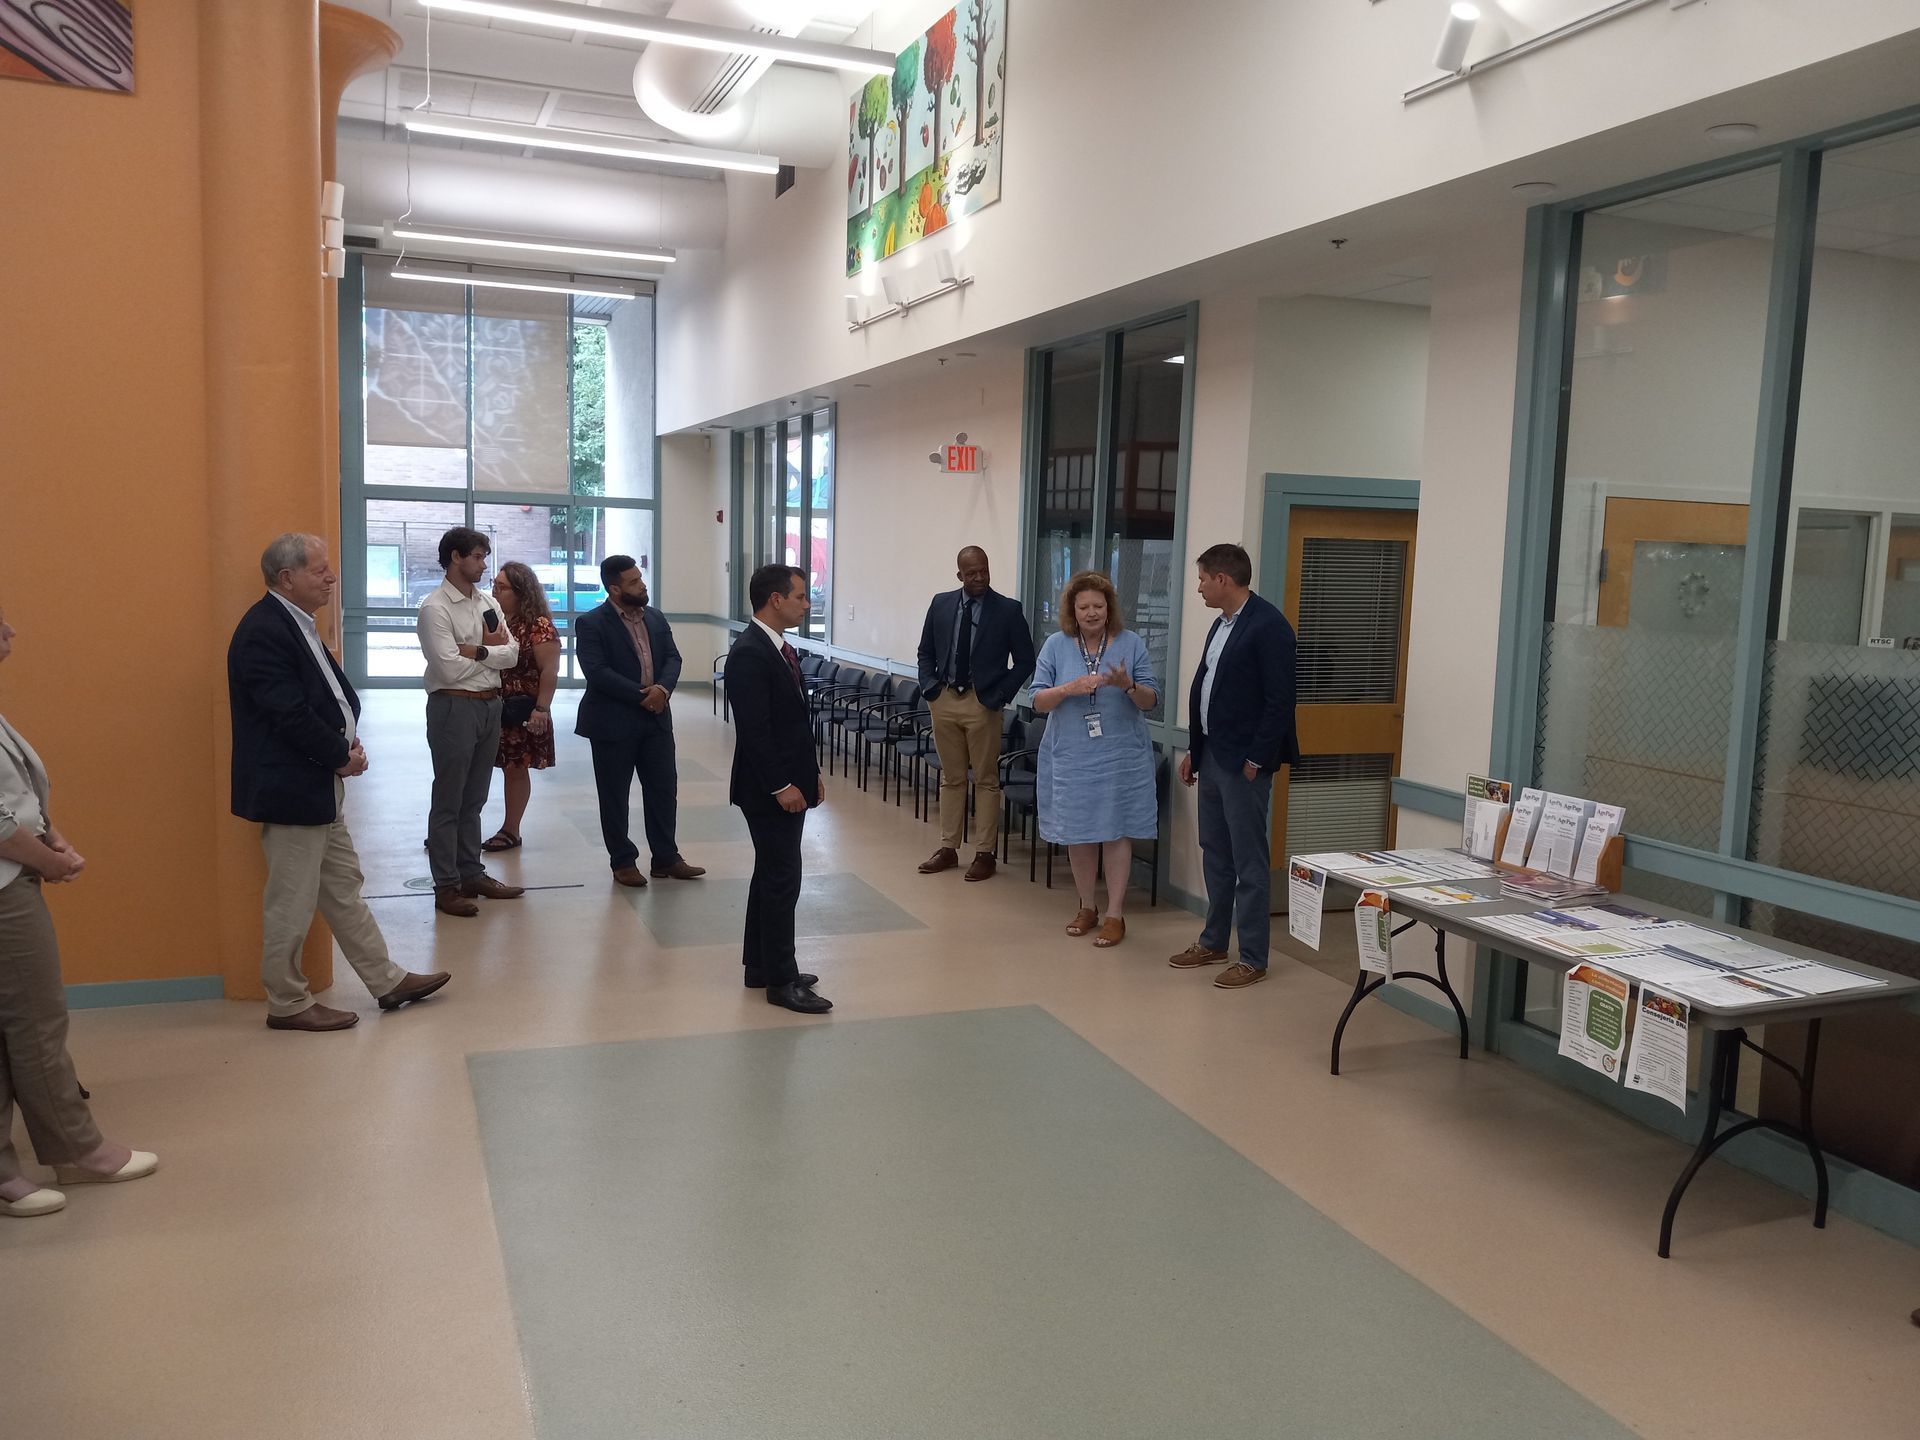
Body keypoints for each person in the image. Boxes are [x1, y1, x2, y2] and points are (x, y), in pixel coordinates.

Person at [229, 533, 452, 1032]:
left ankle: (386, 979)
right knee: (291, 901)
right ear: (287, 577)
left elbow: (322, 699)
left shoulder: (296, 623)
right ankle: (287, 1002)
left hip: (317, 785)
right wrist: (338, 754)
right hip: (293, 790)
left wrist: (343, 743)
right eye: (319, 570)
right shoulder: (265, 630)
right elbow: (286, 713)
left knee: (343, 888)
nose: (331, 578)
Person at [1, 600, 158, 1216]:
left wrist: (51, 835)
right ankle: (76, 1149)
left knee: (13, 1026)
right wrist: (48, 860)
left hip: (16, 869)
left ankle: (8, 1173)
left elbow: (16, 795)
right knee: (35, 1022)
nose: (11, 628)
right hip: (6, 887)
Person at [1171, 542, 1300, 990]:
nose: (1200, 588)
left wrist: (1256, 759)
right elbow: (1210, 690)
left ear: (1223, 579)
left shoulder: (1269, 626)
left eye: (1203, 579)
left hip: (1244, 764)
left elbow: (1280, 702)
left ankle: (1253, 957)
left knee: (1248, 860)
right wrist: (1196, 749)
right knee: (1216, 852)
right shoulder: (1221, 624)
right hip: (1213, 755)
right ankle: (1213, 941)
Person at [1030, 572, 1159, 948]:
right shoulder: (1056, 645)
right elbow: (1037, 701)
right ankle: (1087, 906)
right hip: (1072, 756)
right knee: (1078, 831)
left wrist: (1128, 686)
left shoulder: (1131, 643)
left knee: (1115, 830)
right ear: (1072, 610)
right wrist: (1068, 688)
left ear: (1109, 608)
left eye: (1098, 606)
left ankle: (1115, 914)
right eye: (1084, 606)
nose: (1091, 613)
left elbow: (1151, 700)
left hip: (1120, 756)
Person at [725, 564, 831, 1015]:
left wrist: (811, 774)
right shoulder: (751, 653)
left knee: (769, 875)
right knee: (782, 880)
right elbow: (756, 731)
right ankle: (782, 981)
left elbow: (794, 726)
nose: (806, 605)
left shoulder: (779, 648)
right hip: (768, 789)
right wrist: (782, 785)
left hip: (790, 780)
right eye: (800, 596)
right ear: (775, 599)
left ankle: (760, 965)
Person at [574, 555, 705, 887]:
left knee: (664, 789)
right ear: (614, 589)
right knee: (614, 795)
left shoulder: (655, 618)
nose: (642, 585)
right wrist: (642, 695)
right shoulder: (591, 623)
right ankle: (622, 861)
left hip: (656, 719)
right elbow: (597, 672)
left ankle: (666, 858)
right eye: (633, 582)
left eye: (640, 578)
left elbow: (673, 657)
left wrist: (662, 689)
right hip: (613, 721)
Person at [417, 527, 524, 918]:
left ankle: (471, 874)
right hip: (453, 707)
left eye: (484, 557)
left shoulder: (486, 603)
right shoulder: (435, 608)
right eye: (477, 557)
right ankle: (446, 885)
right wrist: (489, 655)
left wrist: (475, 652)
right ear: (455, 558)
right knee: (450, 799)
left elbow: (512, 653)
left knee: (475, 798)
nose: (484, 565)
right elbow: (447, 668)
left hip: (490, 705)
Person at [914, 546, 1036, 882]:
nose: (980, 577)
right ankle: (948, 848)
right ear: (960, 575)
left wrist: (999, 696)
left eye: (984, 570)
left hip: (983, 704)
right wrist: (930, 689)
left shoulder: (1008, 610)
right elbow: (925, 652)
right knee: (952, 778)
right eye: (972, 573)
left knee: (985, 779)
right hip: (944, 699)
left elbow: (1025, 660)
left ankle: (985, 853)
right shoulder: (941, 604)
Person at [482, 560, 562, 854]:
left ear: (521, 592)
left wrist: (542, 709)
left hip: (522, 710)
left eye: (502, 587)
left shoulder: (538, 625)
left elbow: (549, 671)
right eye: (495, 584)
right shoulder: (494, 620)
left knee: (515, 769)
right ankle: (457, 826)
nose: (495, 590)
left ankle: (511, 829)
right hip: (490, 705)